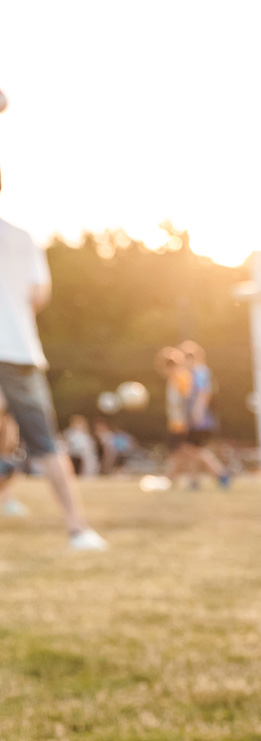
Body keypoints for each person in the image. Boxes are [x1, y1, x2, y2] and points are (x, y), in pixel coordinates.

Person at [0, 169, 107, 550]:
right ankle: (78, 529)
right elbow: (38, 296)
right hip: (19, 350)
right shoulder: (23, 238)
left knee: (13, 435)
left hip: (14, 350)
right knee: (43, 443)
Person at [179, 341, 230, 487]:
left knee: (192, 449)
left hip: (201, 419)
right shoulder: (191, 373)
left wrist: (197, 410)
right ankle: (195, 480)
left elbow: (204, 392)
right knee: (191, 449)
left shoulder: (200, 372)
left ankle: (221, 474)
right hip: (194, 418)